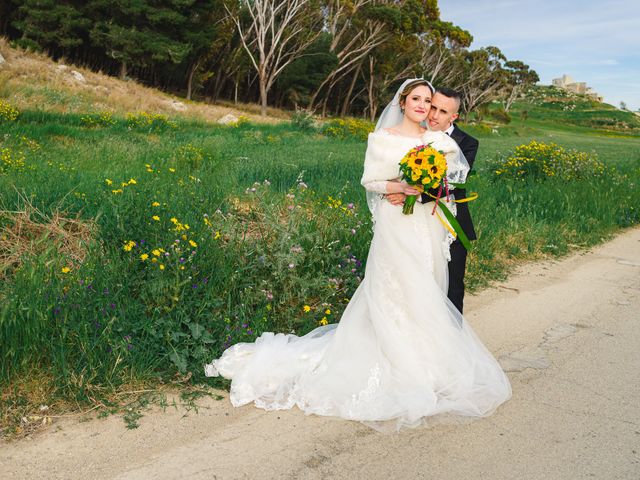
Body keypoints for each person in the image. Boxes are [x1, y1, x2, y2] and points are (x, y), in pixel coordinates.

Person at [204, 79, 510, 432]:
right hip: (396, 226)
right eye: (417, 99)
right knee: (394, 287)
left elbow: (454, 180)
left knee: (426, 288)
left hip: (427, 226)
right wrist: (400, 186)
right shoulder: (382, 139)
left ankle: (427, 362)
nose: (424, 106)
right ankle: (388, 359)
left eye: (428, 100)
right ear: (403, 101)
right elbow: (370, 181)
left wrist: (426, 186)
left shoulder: (436, 140)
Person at [387, 88, 478, 314]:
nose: (434, 115)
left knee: (452, 286)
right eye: (433, 107)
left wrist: (412, 193)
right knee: (416, 283)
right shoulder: (415, 135)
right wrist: (398, 187)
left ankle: (453, 340)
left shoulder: (467, 142)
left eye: (442, 111)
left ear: (453, 116)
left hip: (451, 223)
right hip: (416, 223)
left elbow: (454, 183)